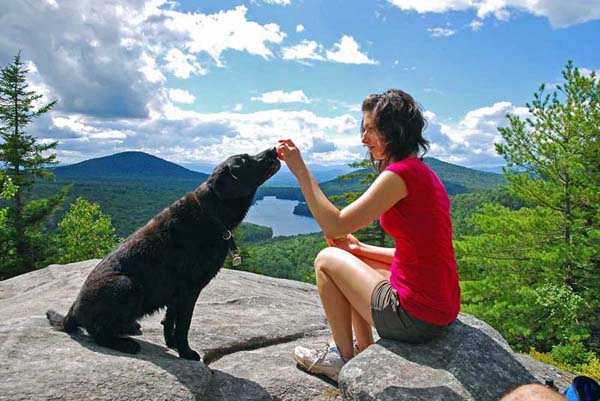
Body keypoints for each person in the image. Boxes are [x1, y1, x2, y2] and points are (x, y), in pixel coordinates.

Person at [276, 89, 460, 382]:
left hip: (416, 318)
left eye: (371, 129)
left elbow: (334, 225)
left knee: (326, 259)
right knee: (348, 256)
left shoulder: (399, 175)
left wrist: (300, 170)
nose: (363, 139)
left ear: (395, 131)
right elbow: (419, 252)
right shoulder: (423, 173)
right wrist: (360, 249)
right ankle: (362, 350)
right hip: (440, 310)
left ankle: (343, 359)